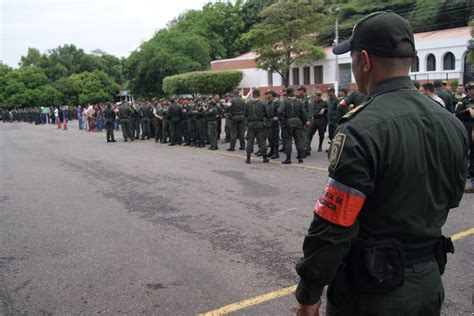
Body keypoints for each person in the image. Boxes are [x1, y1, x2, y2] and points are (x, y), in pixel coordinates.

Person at [295, 11, 468, 316]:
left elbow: (335, 226)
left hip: (372, 293)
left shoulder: (360, 128)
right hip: (428, 284)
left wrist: (309, 292)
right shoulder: (451, 123)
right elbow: (452, 197)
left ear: (365, 61)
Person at [278, 88, 309, 164]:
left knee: (288, 141)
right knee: (298, 140)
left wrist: (282, 120)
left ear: (287, 93)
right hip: (298, 123)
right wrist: (304, 122)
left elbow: (279, 111)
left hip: (288, 123)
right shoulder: (299, 101)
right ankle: (300, 158)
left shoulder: (285, 101)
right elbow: (304, 114)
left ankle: (288, 159)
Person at [455, 82, 474, 193]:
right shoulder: (464, 101)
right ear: (468, 90)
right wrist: (468, 110)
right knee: (465, 153)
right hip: (467, 129)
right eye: (472, 88)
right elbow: (457, 113)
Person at [245, 89, 269, 164]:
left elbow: (245, 114)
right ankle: (264, 158)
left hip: (251, 124)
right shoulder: (263, 103)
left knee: (250, 141)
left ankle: (248, 157)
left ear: (253, 94)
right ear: (259, 94)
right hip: (260, 124)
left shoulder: (248, 103)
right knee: (262, 140)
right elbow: (266, 114)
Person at [264, 90, 281, 159]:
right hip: (268, 121)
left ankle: (276, 152)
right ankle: (271, 151)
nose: (267, 95)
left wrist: (278, 117)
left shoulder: (276, 102)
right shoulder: (267, 102)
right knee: (270, 137)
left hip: (274, 122)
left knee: (275, 137)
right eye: (266, 94)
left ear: (272, 94)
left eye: (268, 94)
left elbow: (281, 111)